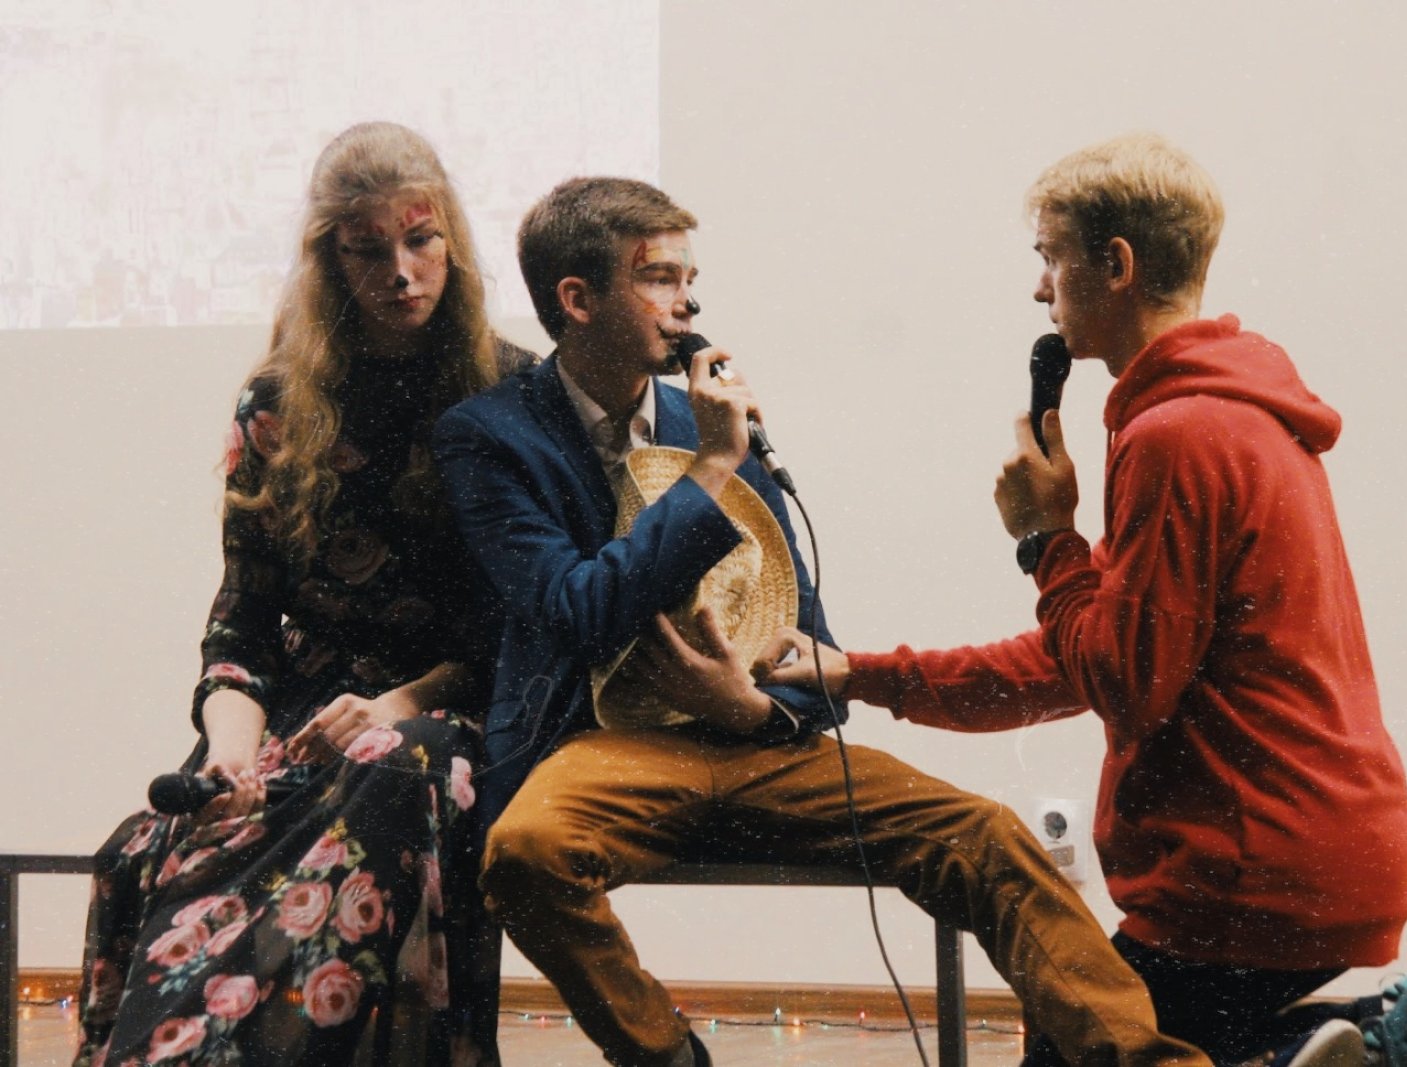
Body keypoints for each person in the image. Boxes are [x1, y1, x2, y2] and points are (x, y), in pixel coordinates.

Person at [757, 132, 1407, 1067]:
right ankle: (1385, 1033)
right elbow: (1079, 657)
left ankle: (1387, 1047)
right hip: (1319, 847)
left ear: (1117, 265)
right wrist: (860, 675)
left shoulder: (1176, 436)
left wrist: (1047, 538)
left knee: (1082, 1047)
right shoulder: (1231, 415)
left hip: (1247, 870)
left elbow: (1122, 682)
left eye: (1050, 258)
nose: (1040, 289)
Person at [432, 176, 1243, 1067]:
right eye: (659, 278)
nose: (688, 302)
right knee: (525, 854)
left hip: (751, 738)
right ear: (577, 300)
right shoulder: (492, 434)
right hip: (603, 746)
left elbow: (804, 640)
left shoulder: (714, 420)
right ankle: (672, 1059)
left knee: (984, 836)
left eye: (690, 278)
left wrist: (747, 706)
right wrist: (712, 467)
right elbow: (574, 610)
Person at [74, 122, 524, 1067]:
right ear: (329, 261)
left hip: (453, 705)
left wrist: (398, 701)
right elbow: (241, 621)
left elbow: (521, 630)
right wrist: (232, 752)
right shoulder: (279, 403)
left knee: (386, 772)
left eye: (421, 240)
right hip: (306, 706)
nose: (400, 271)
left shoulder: (511, 391)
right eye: (367, 250)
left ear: (451, 238)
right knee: (145, 847)